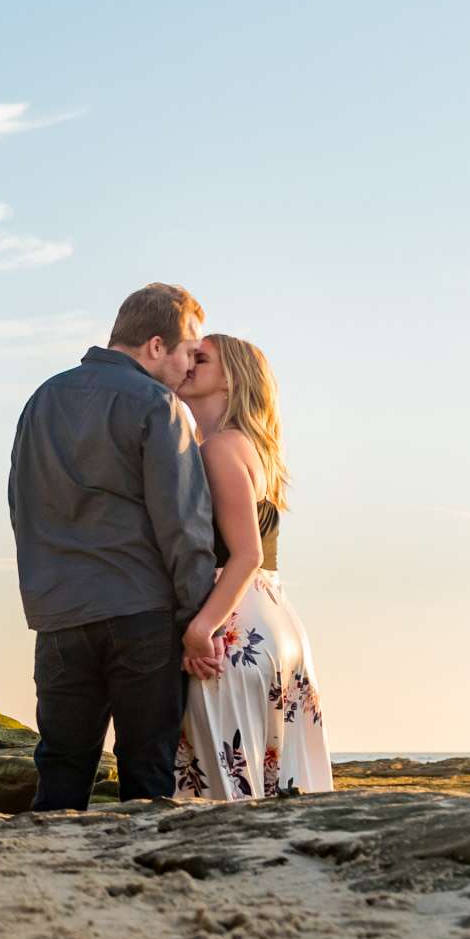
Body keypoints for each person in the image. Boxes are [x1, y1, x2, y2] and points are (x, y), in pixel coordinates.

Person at [8, 284, 218, 810]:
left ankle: (46, 882)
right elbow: (185, 526)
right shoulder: (157, 405)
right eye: (187, 350)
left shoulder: (43, 398)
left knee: (60, 766)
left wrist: (42, 591)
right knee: (146, 773)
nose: (190, 363)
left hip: (58, 613)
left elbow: (21, 503)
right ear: (154, 346)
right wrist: (197, 621)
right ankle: (139, 890)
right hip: (140, 614)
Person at [171, 333, 333, 799]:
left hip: (234, 627)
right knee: (275, 790)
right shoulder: (251, 448)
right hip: (275, 621)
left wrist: (200, 629)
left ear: (232, 378)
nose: (186, 363)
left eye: (200, 358)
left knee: (223, 795)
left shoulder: (219, 449)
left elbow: (246, 554)